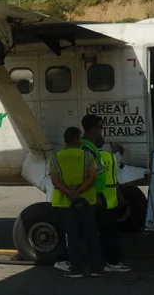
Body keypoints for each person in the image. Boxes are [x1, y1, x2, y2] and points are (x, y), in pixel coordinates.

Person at [69, 115, 129, 273]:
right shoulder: (87, 147)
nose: (102, 130)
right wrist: (95, 195)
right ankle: (107, 263)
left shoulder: (91, 147)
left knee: (102, 230)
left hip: (100, 194)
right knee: (103, 230)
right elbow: (88, 173)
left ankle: (103, 261)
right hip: (94, 195)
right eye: (100, 127)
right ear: (93, 128)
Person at [50, 127, 102, 278]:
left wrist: (69, 194)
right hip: (87, 200)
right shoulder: (86, 156)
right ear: (76, 139)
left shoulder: (56, 157)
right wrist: (79, 192)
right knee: (91, 235)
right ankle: (96, 269)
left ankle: (76, 269)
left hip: (66, 203)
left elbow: (55, 181)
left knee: (71, 237)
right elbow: (92, 178)